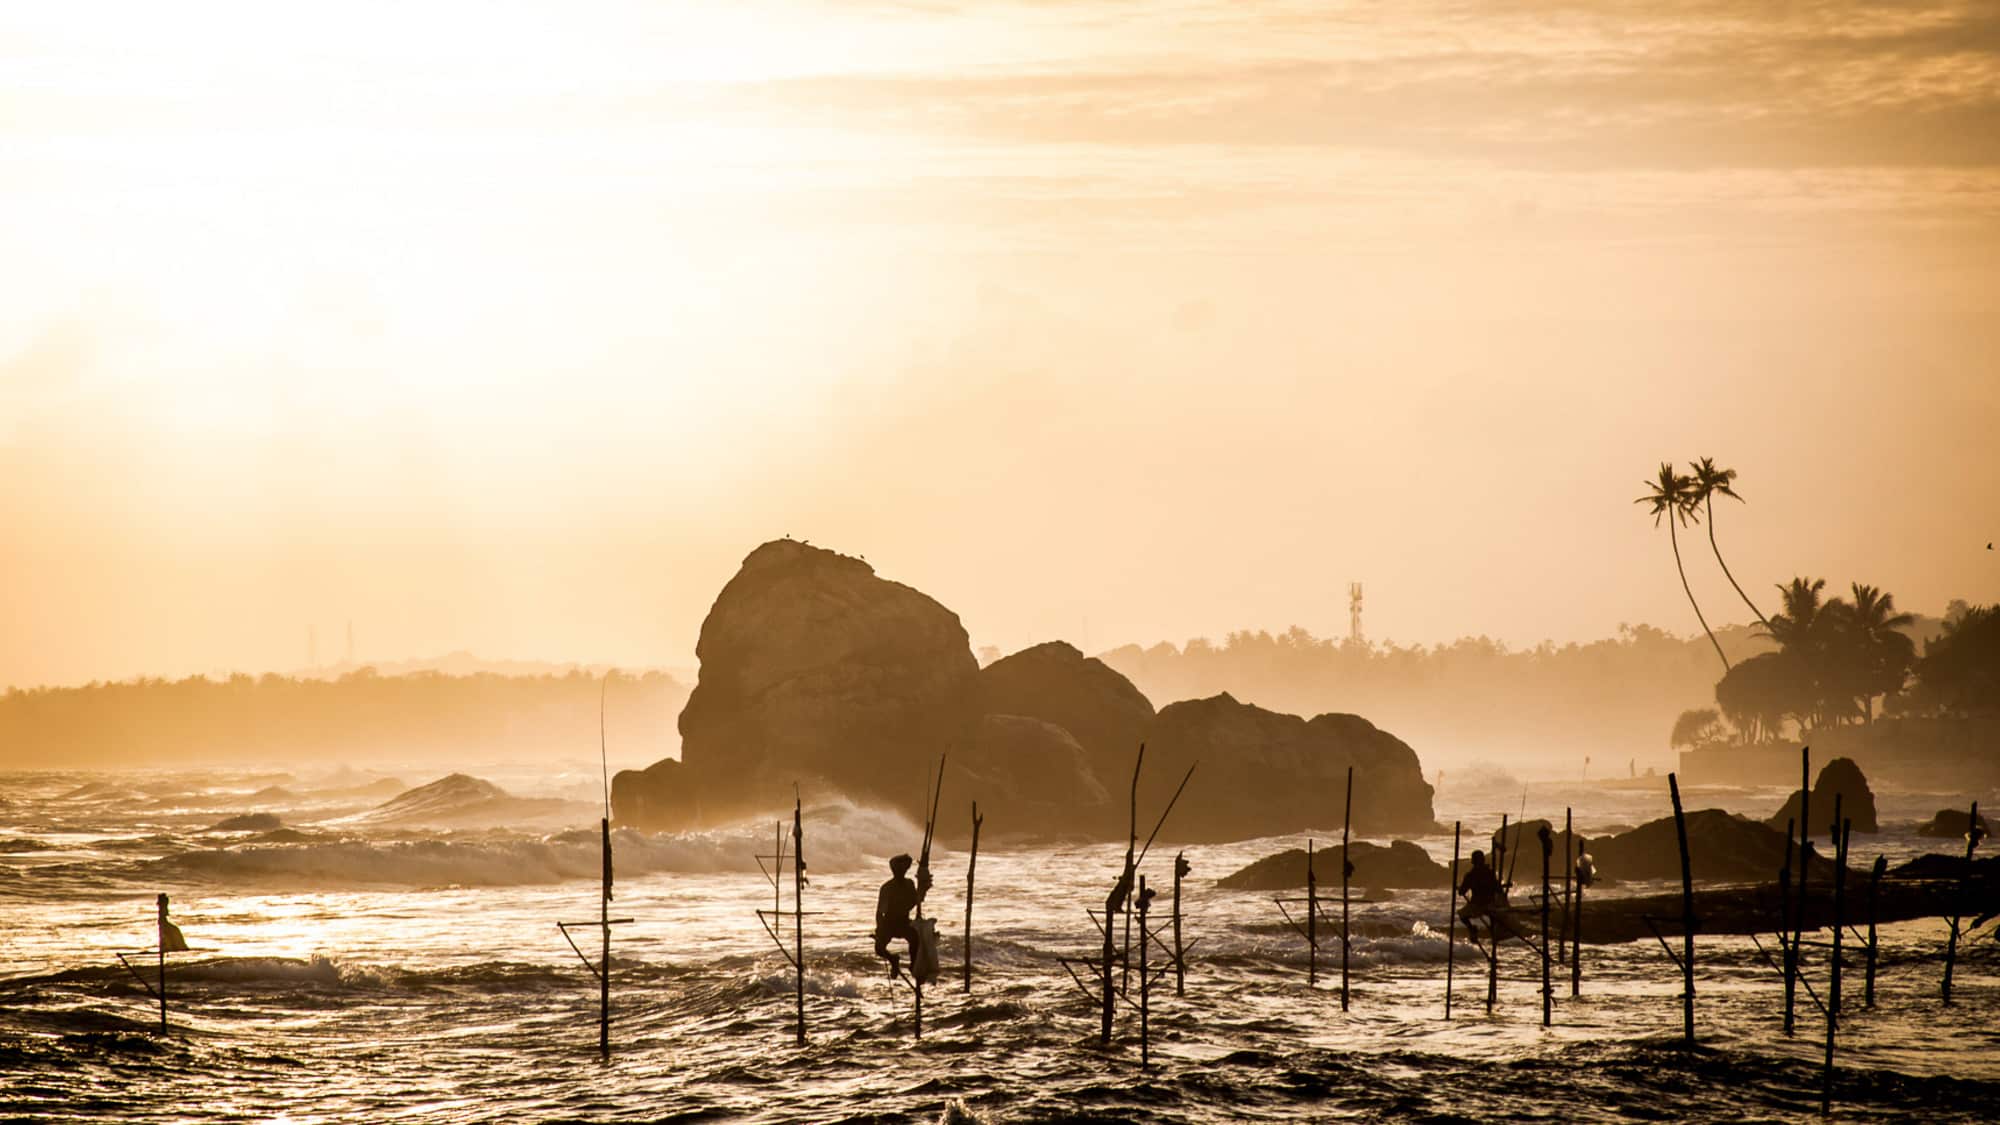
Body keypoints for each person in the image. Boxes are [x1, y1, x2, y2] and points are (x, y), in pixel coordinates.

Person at [874, 853, 920, 980]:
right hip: (889, 923)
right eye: (897, 870)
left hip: (904, 922)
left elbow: (914, 902)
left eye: (903, 870)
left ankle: (914, 964)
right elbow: (879, 912)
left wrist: (920, 893)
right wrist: (879, 928)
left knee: (915, 938)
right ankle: (894, 960)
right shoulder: (887, 888)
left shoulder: (909, 884)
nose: (900, 872)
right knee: (879, 948)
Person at [1458, 849, 1501, 939]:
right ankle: (1493, 929)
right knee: (1492, 914)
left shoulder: (1470, 875)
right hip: (1491, 903)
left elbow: (1461, 892)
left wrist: (1460, 888)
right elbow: (1498, 889)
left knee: (1462, 915)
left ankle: (1471, 929)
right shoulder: (1490, 873)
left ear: (1473, 861)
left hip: (1477, 905)